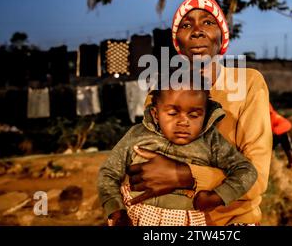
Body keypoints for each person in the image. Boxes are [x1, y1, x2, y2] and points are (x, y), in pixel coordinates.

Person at [109, 0, 273, 226]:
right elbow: (145, 169)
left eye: (208, 22)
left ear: (222, 37)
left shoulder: (248, 84)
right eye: (186, 25)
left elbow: (256, 179)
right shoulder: (161, 94)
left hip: (231, 223)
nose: (197, 30)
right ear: (178, 42)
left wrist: (186, 175)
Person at [98, 77, 258, 226]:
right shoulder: (137, 134)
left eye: (194, 115)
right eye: (173, 113)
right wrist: (117, 211)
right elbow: (108, 173)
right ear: (155, 114)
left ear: (205, 114)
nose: (183, 121)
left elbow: (246, 171)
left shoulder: (210, 140)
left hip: (187, 220)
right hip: (134, 215)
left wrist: (218, 196)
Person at [269, 104, 292, 168]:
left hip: (278, 132)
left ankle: (291, 162)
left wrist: (274, 131)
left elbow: (286, 124)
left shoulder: (273, 116)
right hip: (278, 132)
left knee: (285, 146)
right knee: (285, 147)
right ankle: (290, 162)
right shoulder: (272, 115)